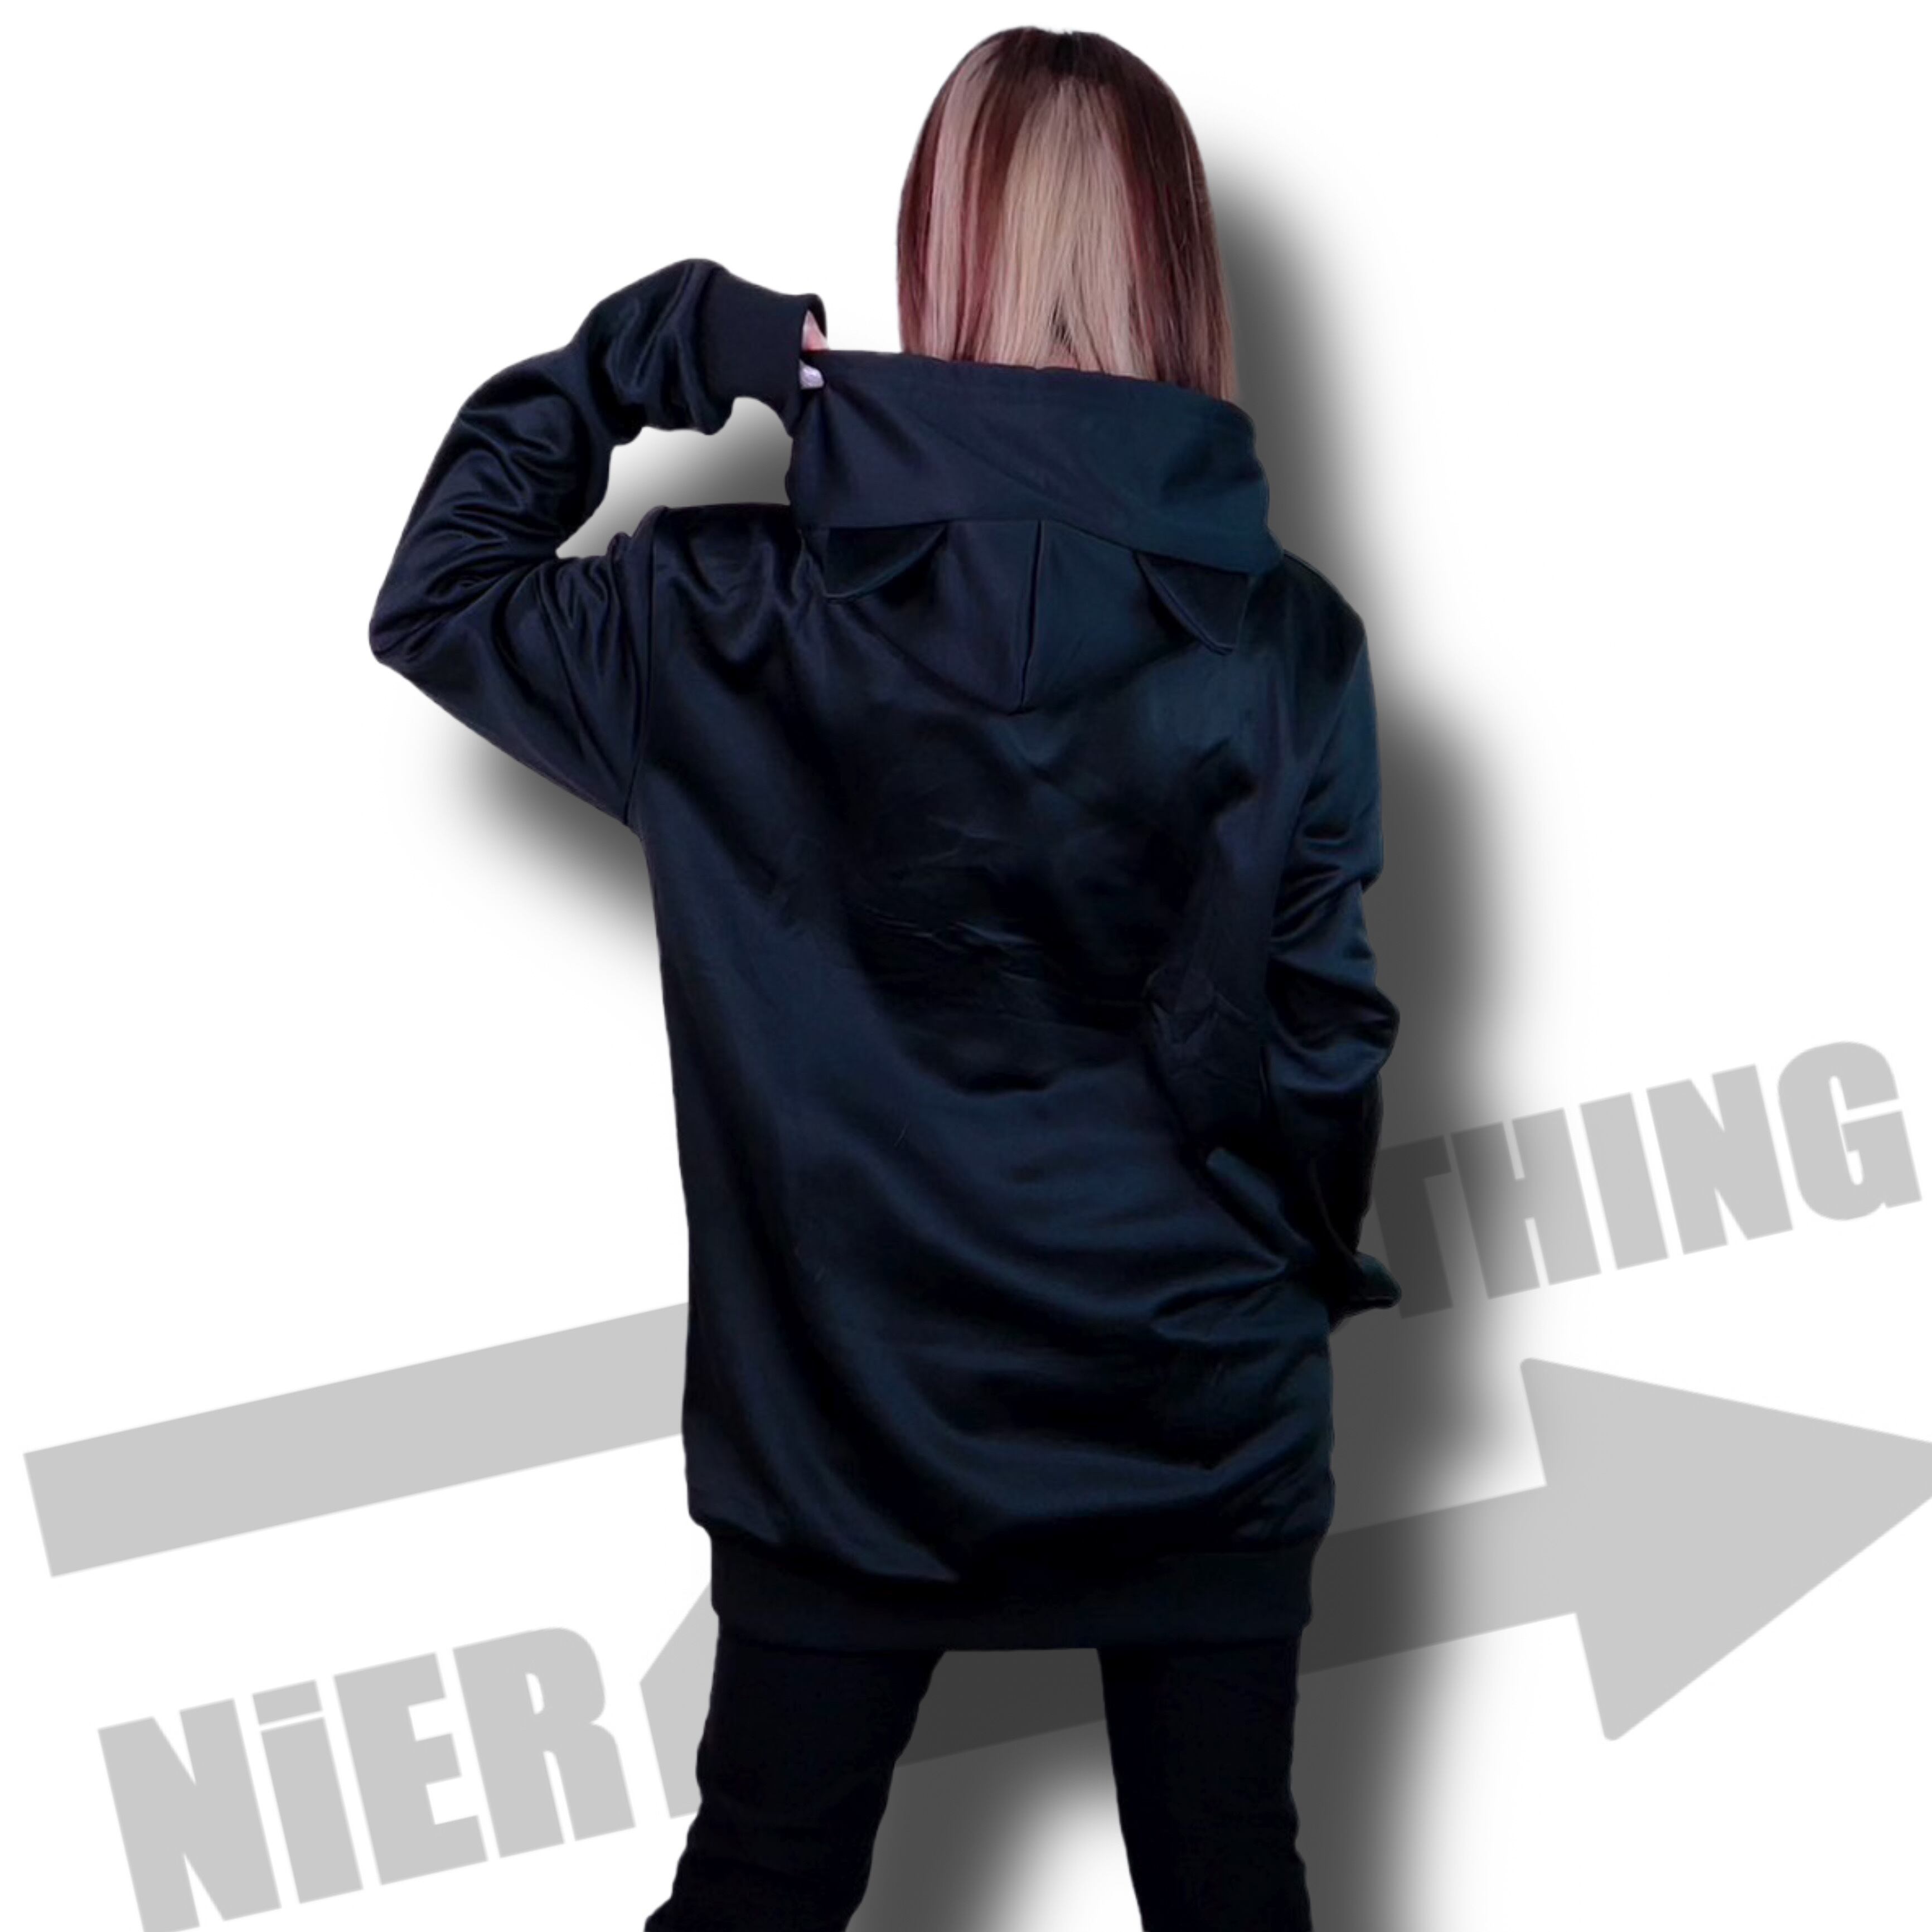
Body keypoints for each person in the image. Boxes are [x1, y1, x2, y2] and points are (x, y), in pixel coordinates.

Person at [368, 25, 1401, 1932]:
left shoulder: (724, 613)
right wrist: (1302, 1263)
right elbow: (1322, 1045)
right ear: (1178, 267)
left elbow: (442, 590)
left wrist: (668, 343)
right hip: (1194, 1413)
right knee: (1229, 1891)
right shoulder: (1292, 649)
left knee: (761, 1884)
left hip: (848, 1430)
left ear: (942, 248)